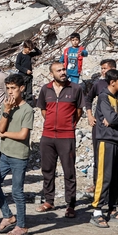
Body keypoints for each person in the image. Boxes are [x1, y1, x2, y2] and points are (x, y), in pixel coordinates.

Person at [36, 61, 84, 218]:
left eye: (64, 69)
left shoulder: (75, 88)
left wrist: (69, 124)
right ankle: (49, 201)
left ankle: (70, 205)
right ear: (52, 74)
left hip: (66, 136)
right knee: (47, 170)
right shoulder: (45, 89)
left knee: (69, 171)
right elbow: (44, 110)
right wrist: (51, 124)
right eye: (59, 70)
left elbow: (79, 111)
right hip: (48, 135)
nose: (63, 72)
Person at [0, 74, 34, 235]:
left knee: (17, 191)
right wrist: (7, 111)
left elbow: (23, 135)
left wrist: (5, 134)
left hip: (18, 156)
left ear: (21, 88)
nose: (10, 92)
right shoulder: (6, 106)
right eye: (8, 88)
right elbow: (0, 128)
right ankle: (8, 216)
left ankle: (21, 225)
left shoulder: (27, 110)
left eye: (13, 88)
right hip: (5, 154)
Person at [89, 69, 118, 228]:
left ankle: (112, 209)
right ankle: (96, 211)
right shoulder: (103, 97)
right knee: (104, 177)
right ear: (112, 82)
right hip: (106, 141)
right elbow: (113, 117)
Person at [85, 59, 118, 194]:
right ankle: (97, 185)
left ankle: (117, 188)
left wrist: (113, 119)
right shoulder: (99, 84)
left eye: (105, 68)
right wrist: (90, 115)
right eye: (102, 68)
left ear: (113, 70)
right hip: (100, 129)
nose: (102, 71)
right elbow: (88, 99)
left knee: (117, 160)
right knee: (99, 157)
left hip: (116, 130)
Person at [15, 40, 41, 105]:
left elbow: (39, 52)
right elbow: (17, 65)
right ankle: (21, 105)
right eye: (28, 49)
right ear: (24, 47)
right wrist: (25, 70)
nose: (29, 51)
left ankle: (29, 105)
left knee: (29, 92)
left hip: (29, 76)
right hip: (22, 76)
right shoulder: (20, 55)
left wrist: (34, 47)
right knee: (22, 91)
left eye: (31, 50)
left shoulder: (29, 54)